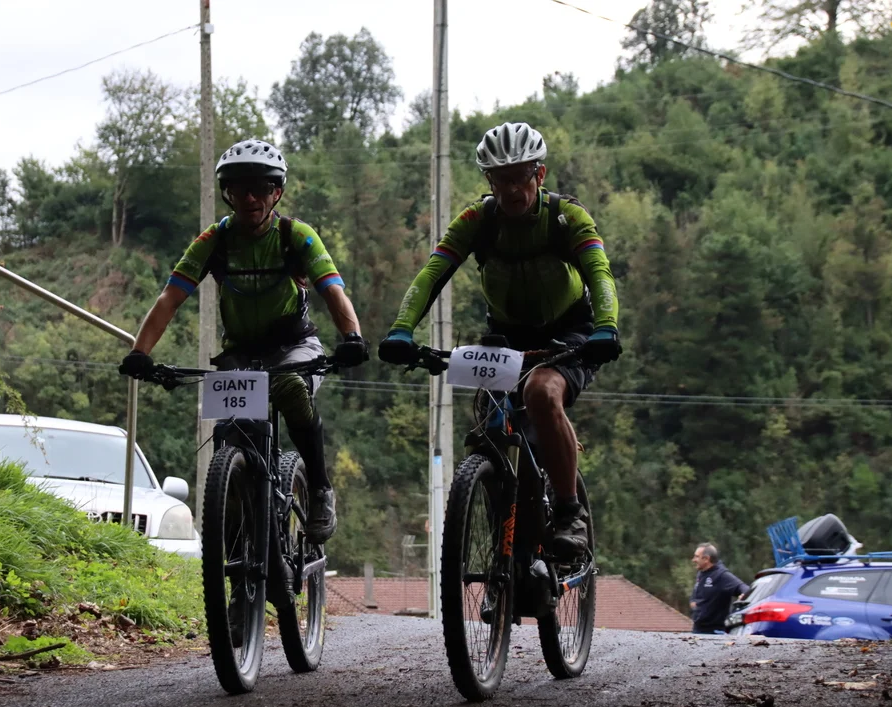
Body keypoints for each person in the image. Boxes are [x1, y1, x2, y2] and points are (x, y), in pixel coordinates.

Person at [377, 121, 621, 560]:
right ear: (489, 180)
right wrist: (401, 330)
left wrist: (607, 326)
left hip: (571, 330)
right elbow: (433, 273)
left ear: (539, 174)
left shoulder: (566, 217)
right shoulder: (478, 220)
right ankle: (506, 540)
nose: (511, 189)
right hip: (507, 335)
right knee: (490, 423)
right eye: (501, 178)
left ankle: (570, 512)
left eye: (520, 177)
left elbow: (599, 273)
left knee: (541, 392)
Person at [119, 138, 368, 545]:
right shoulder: (214, 241)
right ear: (228, 194)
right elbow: (170, 298)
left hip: (295, 346)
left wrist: (352, 336)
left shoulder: (296, 235)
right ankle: (236, 538)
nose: (250, 198)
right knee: (231, 430)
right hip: (241, 352)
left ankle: (320, 488)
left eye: (261, 188)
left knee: (290, 388)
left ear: (277, 192)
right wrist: (139, 352)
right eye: (239, 189)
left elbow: (332, 291)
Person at [690, 543, 750, 634]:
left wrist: (744, 595)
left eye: (696, 557)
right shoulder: (701, 573)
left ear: (706, 559)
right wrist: (693, 602)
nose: (693, 560)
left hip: (714, 632)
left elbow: (743, 588)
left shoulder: (721, 575)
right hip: (698, 629)